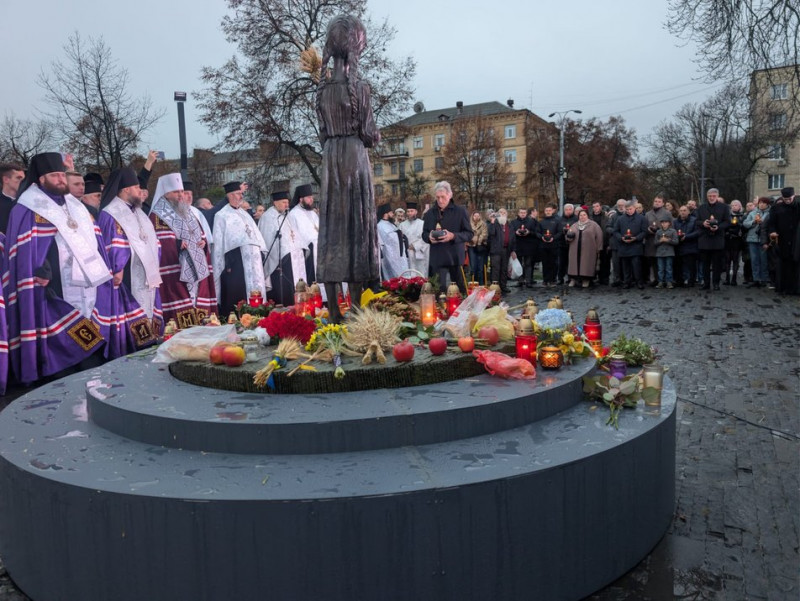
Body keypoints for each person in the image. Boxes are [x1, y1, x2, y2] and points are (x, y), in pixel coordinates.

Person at [4, 152, 113, 384]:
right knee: (59, 333)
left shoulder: (76, 206)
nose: (61, 179)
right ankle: (60, 375)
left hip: (85, 280)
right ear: (41, 179)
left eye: (62, 175)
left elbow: (94, 240)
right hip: (52, 284)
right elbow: (24, 249)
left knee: (87, 324)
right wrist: (40, 268)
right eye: (55, 176)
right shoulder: (27, 207)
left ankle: (87, 369)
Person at [315, 14, 381, 321]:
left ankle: (333, 310)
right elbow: (369, 134)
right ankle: (355, 310)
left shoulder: (322, 91)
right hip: (354, 157)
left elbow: (322, 134)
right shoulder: (361, 88)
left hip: (331, 159)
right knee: (356, 229)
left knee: (332, 231)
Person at [97, 167, 163, 358]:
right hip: (127, 276)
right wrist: (117, 267)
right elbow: (113, 243)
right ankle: (132, 353)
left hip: (146, 275)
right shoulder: (111, 213)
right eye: (136, 187)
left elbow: (152, 241)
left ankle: (149, 348)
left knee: (148, 313)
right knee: (131, 318)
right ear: (126, 190)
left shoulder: (138, 212)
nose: (140, 191)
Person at [149, 173, 217, 327]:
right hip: (175, 274)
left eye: (181, 191)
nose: (180, 195)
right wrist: (177, 244)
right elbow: (158, 243)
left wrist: (203, 243)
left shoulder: (188, 211)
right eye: (176, 192)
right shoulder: (157, 216)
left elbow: (201, 234)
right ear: (165, 193)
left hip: (197, 273)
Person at [212, 181, 267, 316]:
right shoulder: (221, 215)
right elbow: (219, 244)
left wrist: (261, 253)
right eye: (238, 194)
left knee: (255, 292)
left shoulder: (245, 214)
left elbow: (256, 236)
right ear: (230, 195)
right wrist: (227, 264)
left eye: (241, 193)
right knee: (238, 294)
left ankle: (257, 317)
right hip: (235, 262)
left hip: (253, 261)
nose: (241, 196)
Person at [421, 181, 472, 294]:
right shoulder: (429, 213)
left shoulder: (460, 211)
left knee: (460, 291)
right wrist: (429, 237)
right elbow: (424, 234)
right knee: (438, 291)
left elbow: (469, 234)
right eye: (437, 197)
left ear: (450, 195)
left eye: (443, 197)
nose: (440, 200)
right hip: (437, 258)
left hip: (455, 257)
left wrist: (453, 236)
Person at [259, 190, 307, 306]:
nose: (287, 205)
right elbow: (268, 240)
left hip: (291, 259)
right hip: (278, 263)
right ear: (275, 203)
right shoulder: (267, 217)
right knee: (283, 290)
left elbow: (295, 235)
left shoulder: (287, 216)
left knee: (292, 287)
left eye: (287, 202)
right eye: (284, 202)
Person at [765, 187, 800, 295]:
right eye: (785, 199)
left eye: (789, 198)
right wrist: (772, 232)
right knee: (783, 264)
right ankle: (783, 287)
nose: (787, 201)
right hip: (782, 240)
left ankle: (795, 288)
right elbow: (771, 224)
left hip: (796, 240)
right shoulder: (776, 208)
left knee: (796, 264)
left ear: (794, 196)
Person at [696, 188, 731, 291]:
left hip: (717, 239)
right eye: (710, 196)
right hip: (704, 239)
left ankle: (716, 283)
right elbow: (696, 221)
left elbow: (727, 222)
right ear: (707, 197)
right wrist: (703, 223)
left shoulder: (724, 207)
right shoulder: (701, 207)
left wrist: (718, 227)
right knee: (705, 264)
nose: (711, 198)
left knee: (717, 264)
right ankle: (706, 283)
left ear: (717, 196)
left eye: (714, 196)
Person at [288, 184, 320, 283]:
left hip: (319, 249)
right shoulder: (293, 214)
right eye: (309, 197)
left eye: (312, 197)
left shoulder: (313, 213)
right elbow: (295, 235)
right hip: (307, 252)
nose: (311, 200)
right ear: (301, 199)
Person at [613, 199, 648, 289]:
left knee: (637, 266)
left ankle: (639, 282)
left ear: (634, 208)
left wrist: (636, 238)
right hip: (624, 245)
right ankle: (627, 282)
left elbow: (644, 231)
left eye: (630, 209)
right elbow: (615, 231)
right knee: (625, 266)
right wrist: (621, 238)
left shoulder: (641, 218)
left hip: (636, 245)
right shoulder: (620, 219)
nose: (629, 211)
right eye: (627, 209)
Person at [565, 208, 603, 288]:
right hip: (575, 249)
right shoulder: (574, 225)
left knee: (586, 264)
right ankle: (573, 279)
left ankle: (586, 280)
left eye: (584, 215)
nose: (582, 217)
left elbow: (599, 237)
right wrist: (568, 238)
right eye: (580, 215)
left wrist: (599, 248)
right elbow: (568, 235)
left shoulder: (594, 225)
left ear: (587, 216)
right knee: (574, 264)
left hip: (588, 250)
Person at [643, 194, 672, 286]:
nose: (657, 203)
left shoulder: (667, 213)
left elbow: (672, 227)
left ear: (663, 203)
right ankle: (655, 279)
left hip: (662, 240)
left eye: (659, 202)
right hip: (651, 240)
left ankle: (665, 280)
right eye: (655, 201)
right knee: (652, 261)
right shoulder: (648, 214)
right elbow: (644, 227)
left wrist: (662, 231)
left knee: (664, 262)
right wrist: (648, 230)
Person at [743, 197, 771, 288]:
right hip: (752, 239)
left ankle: (764, 279)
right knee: (754, 260)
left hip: (764, 240)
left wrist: (763, 223)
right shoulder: (753, 213)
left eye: (764, 203)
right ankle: (756, 279)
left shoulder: (770, 213)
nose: (761, 204)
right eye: (760, 203)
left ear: (767, 204)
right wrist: (753, 221)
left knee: (764, 260)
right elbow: (745, 224)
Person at [487, 208, 516, 293]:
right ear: (498, 214)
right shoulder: (495, 223)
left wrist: (513, 250)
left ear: (507, 214)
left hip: (506, 249)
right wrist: (492, 223)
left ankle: (503, 286)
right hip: (496, 250)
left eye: (504, 212)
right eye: (501, 212)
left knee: (504, 269)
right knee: (495, 269)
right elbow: (491, 233)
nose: (502, 214)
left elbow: (513, 238)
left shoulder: (509, 225)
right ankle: (495, 287)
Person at [377, 203, 408, 279]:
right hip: (389, 254)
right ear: (385, 214)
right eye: (390, 212)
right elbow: (389, 238)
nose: (392, 214)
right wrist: (399, 233)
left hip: (398, 254)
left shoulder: (390, 224)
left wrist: (400, 234)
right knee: (393, 276)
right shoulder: (380, 225)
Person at [398, 202, 429, 277]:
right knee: (408, 274)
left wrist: (415, 245)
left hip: (419, 253)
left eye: (411, 211)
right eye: (408, 211)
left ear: (416, 212)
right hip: (407, 254)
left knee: (420, 274)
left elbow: (426, 238)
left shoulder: (422, 223)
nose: (409, 213)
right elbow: (399, 239)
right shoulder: (402, 225)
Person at [537, 203, 562, 286]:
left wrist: (553, 238)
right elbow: (537, 232)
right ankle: (545, 280)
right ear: (544, 211)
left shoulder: (557, 221)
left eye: (549, 210)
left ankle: (553, 280)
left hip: (554, 245)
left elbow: (560, 232)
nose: (548, 212)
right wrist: (542, 237)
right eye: (546, 210)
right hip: (543, 246)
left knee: (553, 263)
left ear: (552, 211)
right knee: (545, 263)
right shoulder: (541, 222)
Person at [674, 205, 700, 286]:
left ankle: (691, 281)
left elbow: (697, 232)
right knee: (678, 265)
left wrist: (686, 236)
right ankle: (679, 281)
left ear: (688, 212)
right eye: (681, 211)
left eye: (684, 210)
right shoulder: (675, 221)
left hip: (690, 246)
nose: (683, 212)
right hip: (679, 246)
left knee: (691, 266)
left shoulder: (694, 220)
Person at [512, 207, 537, 288]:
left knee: (528, 264)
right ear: (518, 213)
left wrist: (529, 232)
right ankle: (520, 281)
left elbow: (535, 233)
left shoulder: (531, 222)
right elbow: (511, 233)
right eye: (521, 212)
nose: (522, 214)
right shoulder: (513, 222)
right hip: (518, 246)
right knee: (518, 264)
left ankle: (528, 281)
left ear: (526, 213)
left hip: (528, 246)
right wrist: (515, 232)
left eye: (524, 213)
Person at [605, 198, 627, 286]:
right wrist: (615, 231)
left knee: (625, 264)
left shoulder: (629, 215)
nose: (621, 207)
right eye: (619, 206)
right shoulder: (613, 216)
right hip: (615, 243)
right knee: (616, 263)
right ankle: (616, 279)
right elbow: (607, 227)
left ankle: (626, 279)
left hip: (627, 243)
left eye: (622, 205)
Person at [723, 199, 746, 286]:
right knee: (727, 260)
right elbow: (724, 225)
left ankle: (734, 279)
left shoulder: (743, 216)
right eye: (732, 205)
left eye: (736, 205)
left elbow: (745, 227)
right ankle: (727, 279)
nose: (734, 207)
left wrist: (739, 225)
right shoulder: (727, 215)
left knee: (735, 260)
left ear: (740, 206)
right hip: (728, 239)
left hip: (737, 240)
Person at [654, 217, 679, 288]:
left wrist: (668, 240)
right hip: (660, 253)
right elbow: (655, 243)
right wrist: (660, 241)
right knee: (660, 268)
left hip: (669, 252)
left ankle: (669, 282)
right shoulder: (658, 232)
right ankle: (660, 282)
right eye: (662, 223)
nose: (664, 224)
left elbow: (676, 242)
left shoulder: (673, 231)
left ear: (669, 223)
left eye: (665, 222)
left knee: (669, 268)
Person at [0, 163, 24, 235]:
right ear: (6, 179)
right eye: (18, 178)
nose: (23, 182)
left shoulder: (28, 202)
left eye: (24, 179)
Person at [466, 210, 488, 285]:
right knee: (473, 267)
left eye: (478, 216)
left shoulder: (483, 224)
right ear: (472, 216)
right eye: (475, 216)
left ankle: (481, 284)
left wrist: (478, 242)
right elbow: (468, 234)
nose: (476, 217)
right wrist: (473, 239)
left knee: (480, 267)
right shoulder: (468, 224)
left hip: (480, 246)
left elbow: (484, 234)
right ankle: (474, 283)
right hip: (471, 246)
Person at [557, 203, 577, 285]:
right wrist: (563, 231)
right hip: (562, 244)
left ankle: (571, 278)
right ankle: (560, 278)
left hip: (573, 244)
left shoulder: (576, 219)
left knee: (571, 262)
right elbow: (557, 230)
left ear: (573, 210)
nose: (568, 211)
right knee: (561, 262)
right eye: (566, 210)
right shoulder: (560, 219)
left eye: (570, 209)